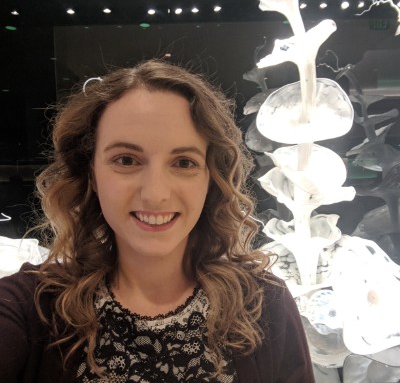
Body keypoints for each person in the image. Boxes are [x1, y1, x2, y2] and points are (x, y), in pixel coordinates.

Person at [0, 59, 315, 383]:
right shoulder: (31, 307)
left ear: (210, 178)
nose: (155, 194)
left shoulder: (264, 305)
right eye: (126, 160)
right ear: (91, 173)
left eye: (184, 162)